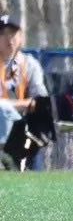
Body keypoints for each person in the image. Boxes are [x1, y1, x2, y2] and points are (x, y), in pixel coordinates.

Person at [1, 14, 48, 169]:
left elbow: (40, 100)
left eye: (13, 33)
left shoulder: (30, 64)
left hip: (23, 120)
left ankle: (6, 158)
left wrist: (11, 105)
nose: (9, 39)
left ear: (21, 36)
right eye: (3, 34)